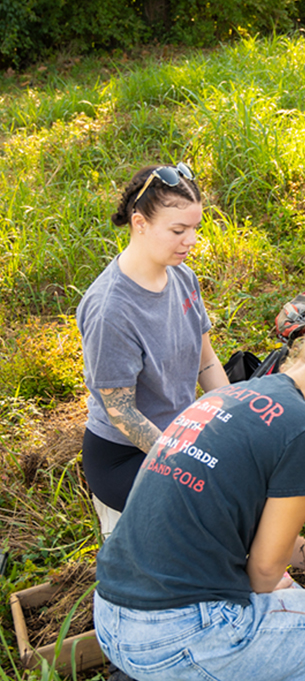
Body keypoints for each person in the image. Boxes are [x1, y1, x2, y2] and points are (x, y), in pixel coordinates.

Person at [85, 298, 305, 681]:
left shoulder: (226, 395)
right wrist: (292, 598)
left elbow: (256, 531)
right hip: (173, 638)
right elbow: (265, 571)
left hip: (111, 619)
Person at [77, 163, 229, 536]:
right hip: (124, 454)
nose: (190, 240)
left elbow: (206, 361)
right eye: (178, 230)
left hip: (183, 430)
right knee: (210, 508)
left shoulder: (183, 277)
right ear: (139, 223)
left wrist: (235, 418)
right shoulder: (111, 309)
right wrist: (182, 461)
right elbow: (121, 412)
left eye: (195, 228)